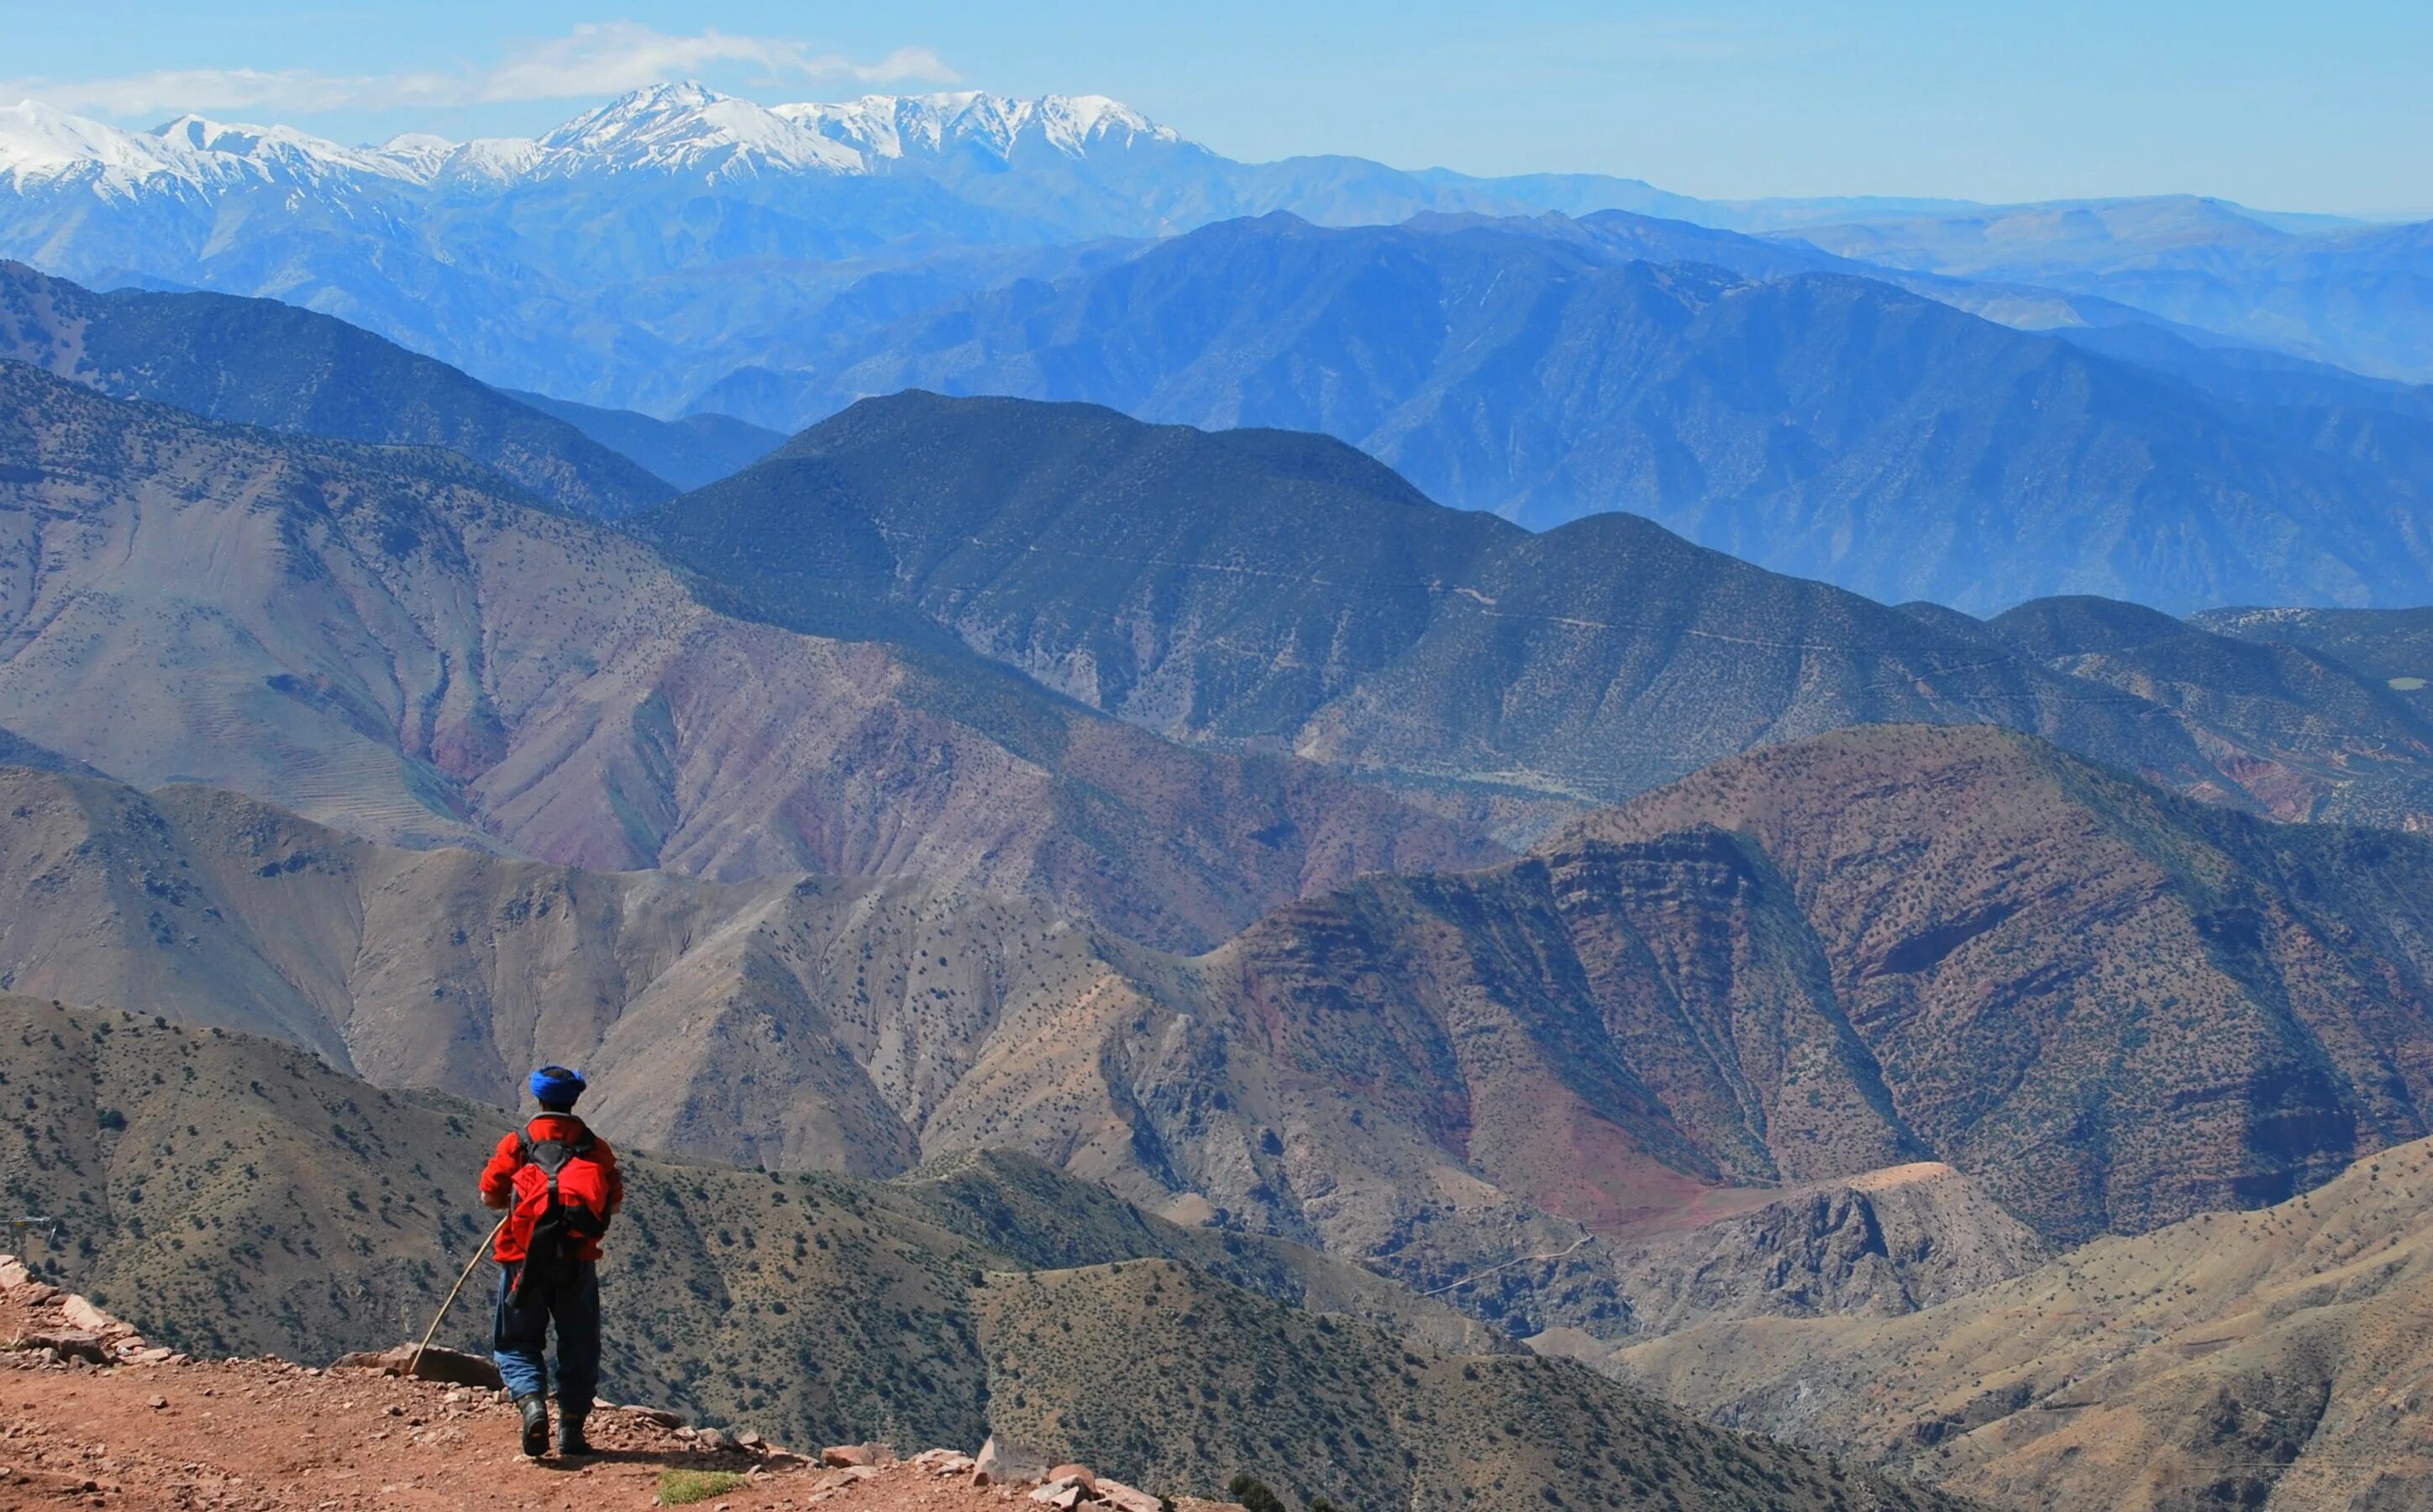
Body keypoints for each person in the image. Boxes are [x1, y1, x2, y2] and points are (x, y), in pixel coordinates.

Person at [480, 1065, 623, 1458]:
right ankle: (572, 1430)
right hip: (576, 1260)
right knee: (579, 1342)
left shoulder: (518, 1143)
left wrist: (524, 1206)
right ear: (574, 1099)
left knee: (518, 1340)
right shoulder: (595, 1147)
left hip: (521, 1259)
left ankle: (532, 1405)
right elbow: (612, 1200)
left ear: (538, 1098)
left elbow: (491, 1194)